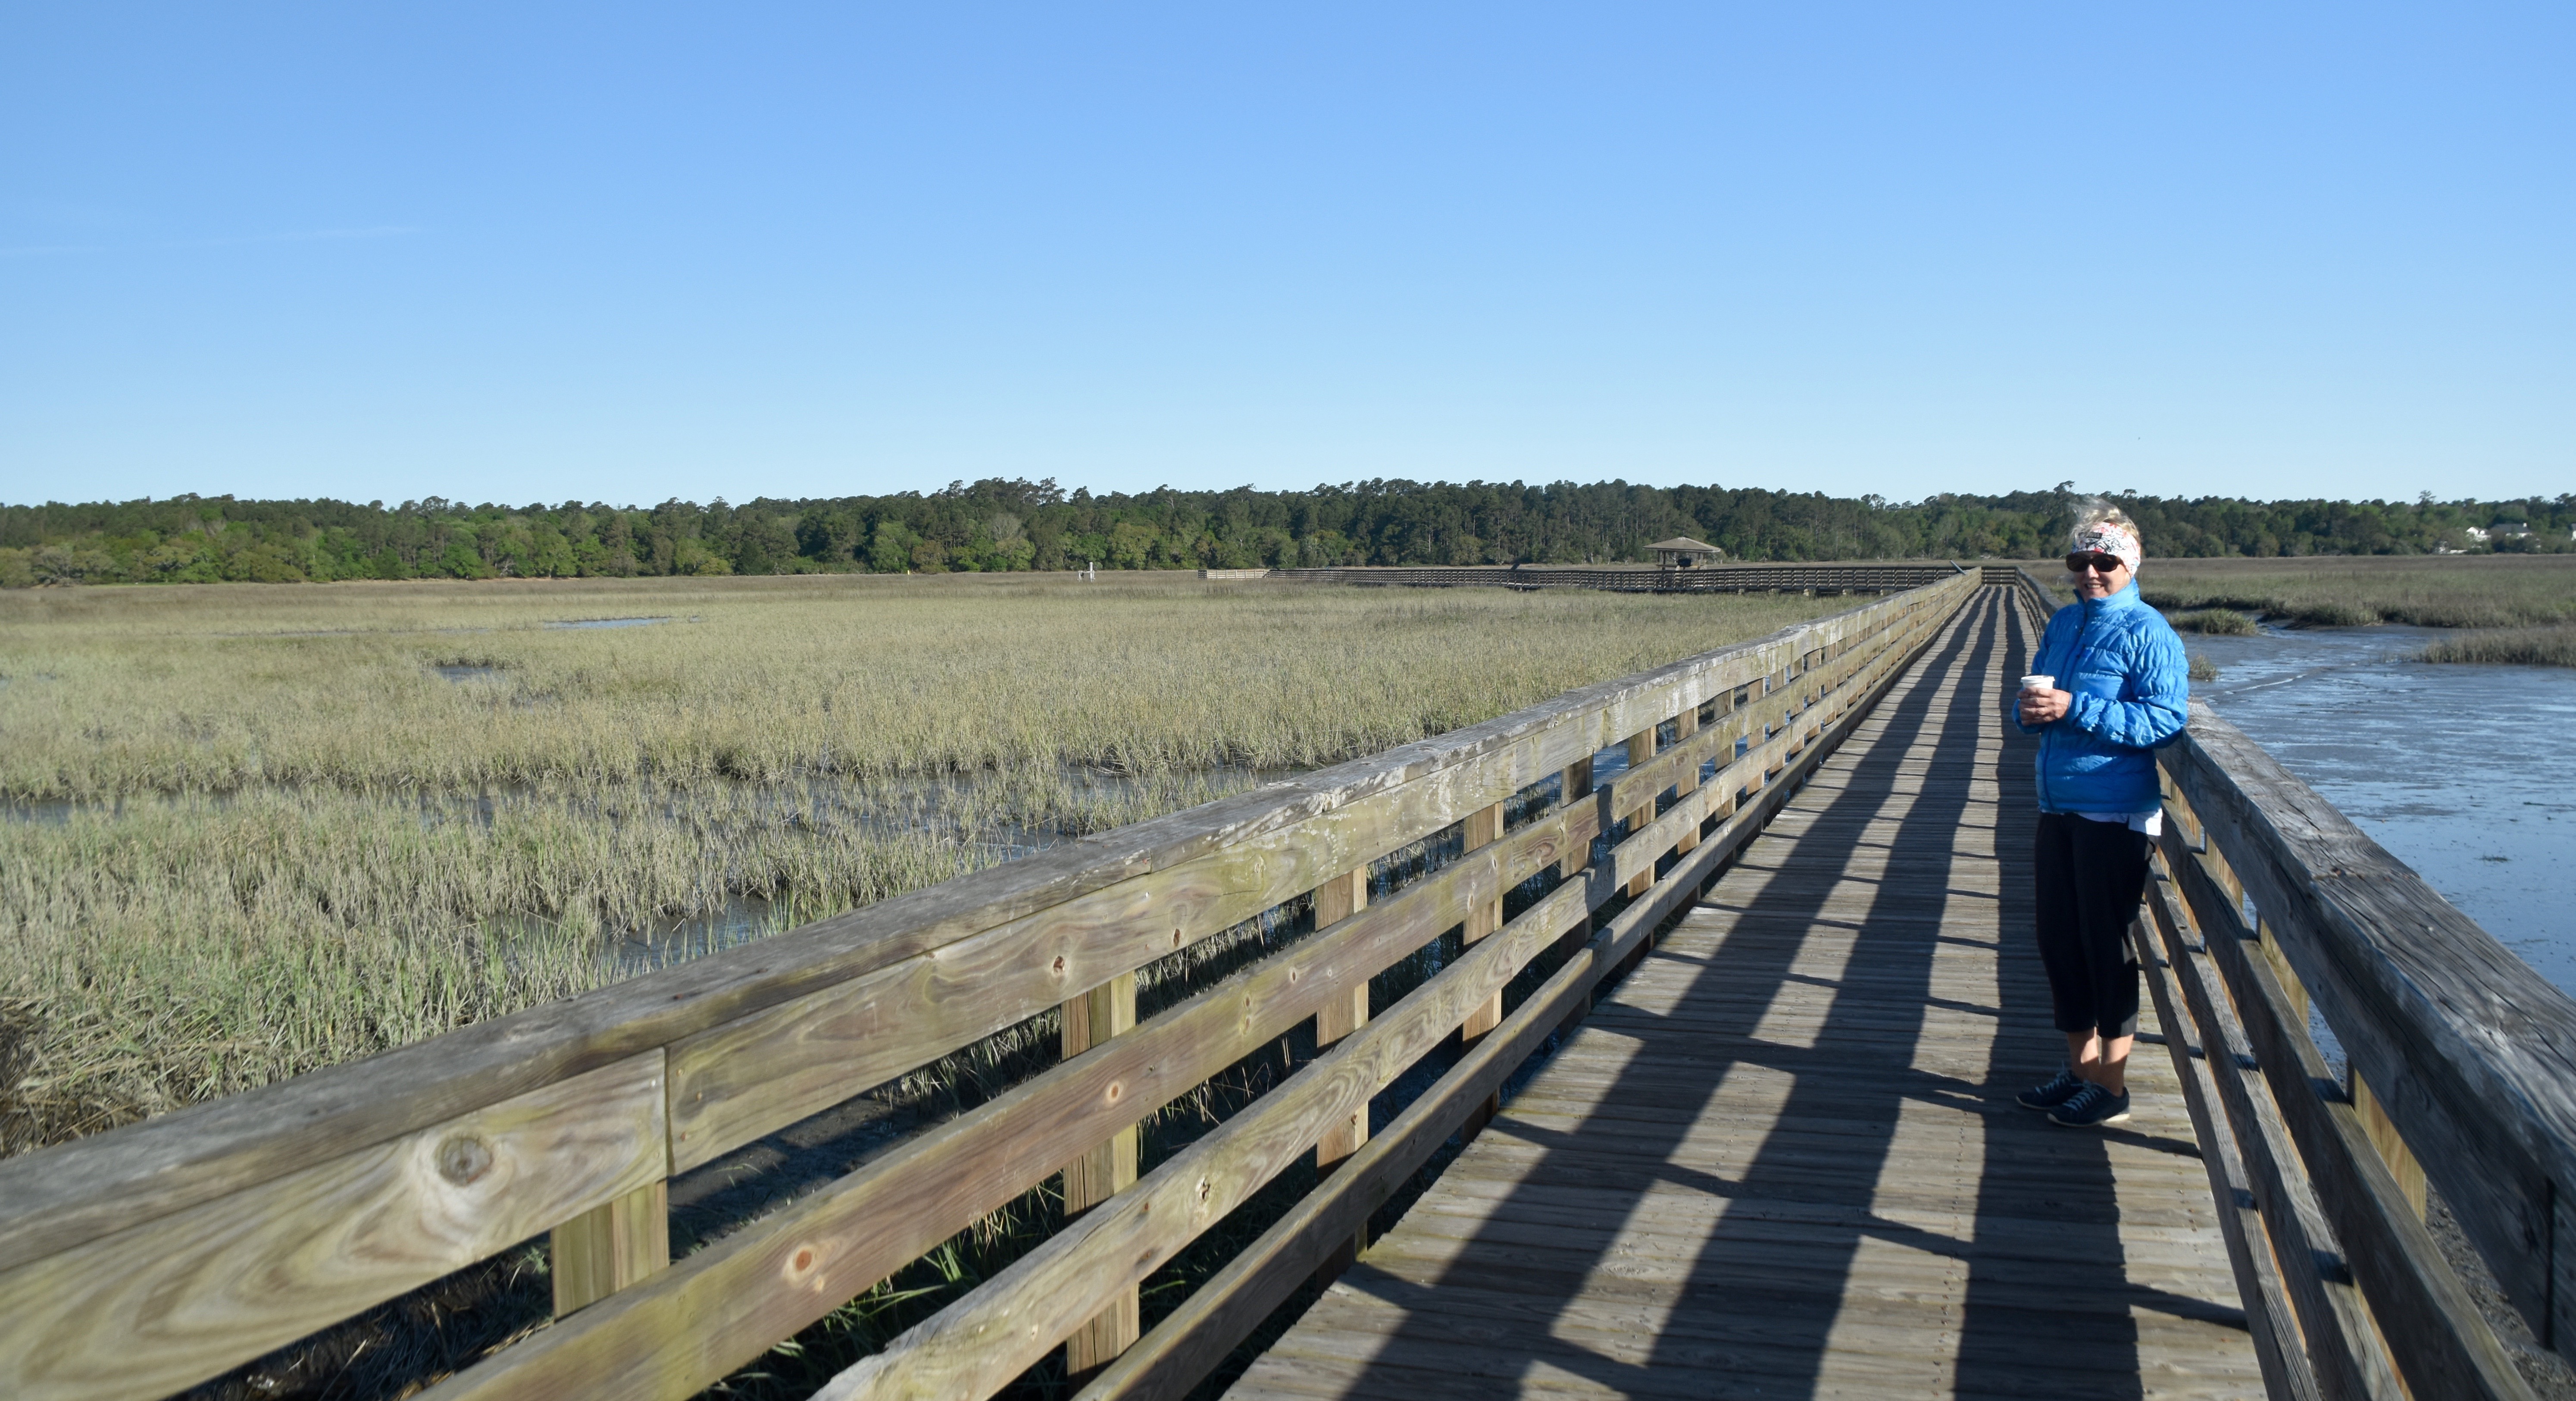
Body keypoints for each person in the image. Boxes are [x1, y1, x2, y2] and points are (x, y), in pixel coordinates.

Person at [2008, 508, 2189, 1128]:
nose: (2090, 573)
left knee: (2103, 947)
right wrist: (2026, 712)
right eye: (2079, 562)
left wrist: (2075, 707)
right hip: (2056, 805)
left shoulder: (2149, 631)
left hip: (2114, 812)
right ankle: (2079, 1070)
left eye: (2104, 561)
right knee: (2059, 942)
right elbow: (2031, 702)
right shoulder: (2063, 623)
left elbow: (2165, 719)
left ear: (2128, 565)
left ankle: (2112, 1085)